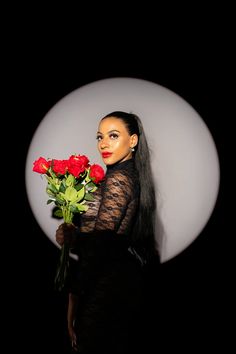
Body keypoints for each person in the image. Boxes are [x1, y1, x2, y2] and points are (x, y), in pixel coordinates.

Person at [55, 111, 161, 353]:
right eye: (100, 137)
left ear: (133, 141)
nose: (103, 143)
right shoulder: (122, 176)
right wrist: (71, 236)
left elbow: (100, 245)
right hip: (110, 282)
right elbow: (99, 237)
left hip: (105, 286)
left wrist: (73, 302)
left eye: (113, 136)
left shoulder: (120, 179)